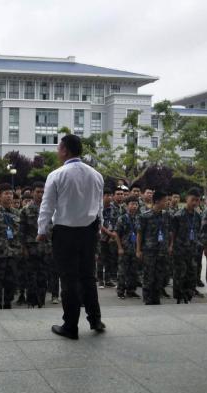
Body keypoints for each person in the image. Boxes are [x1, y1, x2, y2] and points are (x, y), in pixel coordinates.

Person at [38, 134, 105, 340]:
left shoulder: (57, 175)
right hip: (89, 232)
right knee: (88, 277)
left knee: (68, 280)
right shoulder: (96, 175)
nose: (58, 151)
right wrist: (99, 228)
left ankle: (70, 326)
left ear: (65, 150)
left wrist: (42, 230)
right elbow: (99, 206)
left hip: (65, 233)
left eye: (59, 148)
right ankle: (95, 320)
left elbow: (47, 206)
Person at [0, 183, 21, 309]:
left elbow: (20, 233)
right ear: (0, 196)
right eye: (6, 194)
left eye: (10, 194)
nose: (9, 196)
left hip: (13, 253)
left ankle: (8, 302)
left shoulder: (17, 213)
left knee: (11, 281)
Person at [136, 190, 171, 305]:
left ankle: (156, 298)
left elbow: (169, 232)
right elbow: (140, 233)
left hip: (162, 251)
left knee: (160, 275)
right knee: (148, 276)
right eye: (165, 201)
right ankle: (147, 299)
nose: (167, 203)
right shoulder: (145, 216)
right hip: (149, 251)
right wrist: (138, 250)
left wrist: (170, 246)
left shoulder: (166, 215)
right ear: (157, 201)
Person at [170, 188, 202, 304]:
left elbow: (198, 232)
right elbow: (172, 233)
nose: (194, 203)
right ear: (187, 199)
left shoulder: (198, 216)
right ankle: (179, 296)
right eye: (192, 200)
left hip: (193, 251)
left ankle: (188, 295)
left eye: (197, 200)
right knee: (180, 274)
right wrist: (171, 246)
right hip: (180, 250)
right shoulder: (177, 216)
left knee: (192, 274)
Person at [114, 196, 141, 299]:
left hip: (135, 249)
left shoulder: (139, 218)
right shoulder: (122, 218)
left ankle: (131, 290)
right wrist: (119, 247)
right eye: (132, 204)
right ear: (127, 205)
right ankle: (120, 291)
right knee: (122, 271)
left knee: (133, 271)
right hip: (125, 249)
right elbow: (117, 234)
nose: (134, 206)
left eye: (136, 204)